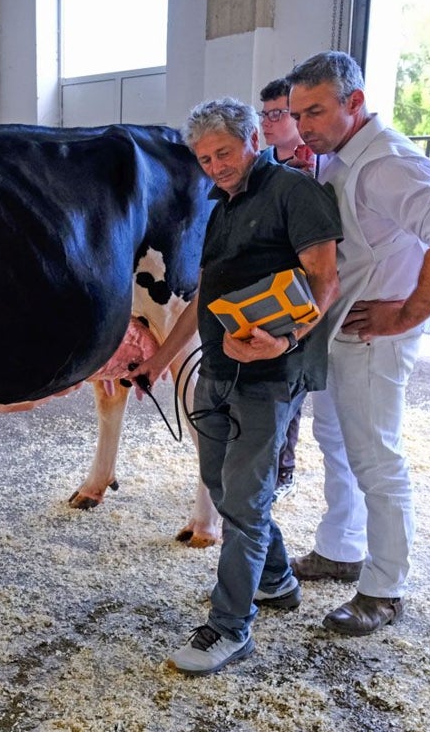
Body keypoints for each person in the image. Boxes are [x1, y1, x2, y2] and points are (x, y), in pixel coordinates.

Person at [127, 98, 341, 676]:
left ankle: (230, 628)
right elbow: (204, 299)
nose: (215, 165)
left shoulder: (295, 193)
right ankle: (274, 581)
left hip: (271, 376)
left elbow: (325, 279)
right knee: (222, 489)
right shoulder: (220, 205)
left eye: (223, 151)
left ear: (252, 139)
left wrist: (288, 340)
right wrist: (160, 361)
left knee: (244, 504)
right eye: (204, 157)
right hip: (219, 368)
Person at [285, 51, 430, 636]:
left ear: (354, 102)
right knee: (336, 441)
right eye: (297, 114)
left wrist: (407, 314)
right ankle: (340, 547)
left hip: (374, 337)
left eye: (315, 111)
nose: (305, 126)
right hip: (342, 329)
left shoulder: (387, 163)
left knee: (376, 456)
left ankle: (384, 587)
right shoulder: (343, 157)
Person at [258, 76, 315, 501]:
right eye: (266, 114)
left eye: (280, 114)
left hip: (298, 285)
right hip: (258, 283)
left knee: (288, 381)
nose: (270, 122)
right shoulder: (258, 163)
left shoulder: (315, 166)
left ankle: (283, 469)